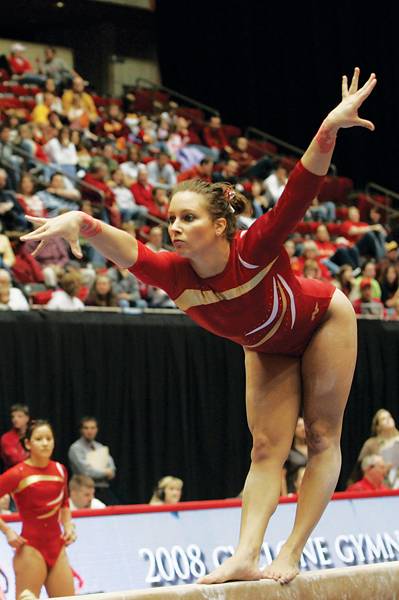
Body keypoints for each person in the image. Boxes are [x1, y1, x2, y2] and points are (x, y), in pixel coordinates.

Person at [21, 68, 376, 585]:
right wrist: (83, 222)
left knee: (321, 436)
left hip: (323, 321)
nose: (175, 227)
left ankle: (293, 551)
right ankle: (246, 553)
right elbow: (126, 249)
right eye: (170, 218)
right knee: (264, 449)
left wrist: (328, 128)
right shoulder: (173, 275)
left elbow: (301, 188)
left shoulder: (255, 250)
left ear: (219, 227)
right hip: (266, 345)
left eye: (187, 218)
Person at [0, 420, 76, 598]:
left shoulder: (60, 470)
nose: (45, 443)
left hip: (57, 548)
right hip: (31, 550)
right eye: (39, 439)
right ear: (28, 443)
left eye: (49, 438)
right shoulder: (18, 473)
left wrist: (69, 526)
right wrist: (7, 531)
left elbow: (64, 502)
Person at [68, 416, 118, 505]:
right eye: (86, 428)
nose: (89, 431)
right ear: (81, 430)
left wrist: (107, 472)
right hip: (84, 491)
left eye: (92, 428)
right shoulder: (76, 448)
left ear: (97, 429)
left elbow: (112, 468)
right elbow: (86, 472)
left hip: (103, 489)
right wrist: (105, 473)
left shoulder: (100, 447)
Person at [0, 404, 30, 469]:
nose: (15, 419)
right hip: (14, 474)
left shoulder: (33, 434)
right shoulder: (6, 438)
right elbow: (15, 459)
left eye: (19, 416)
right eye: (13, 417)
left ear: (27, 418)